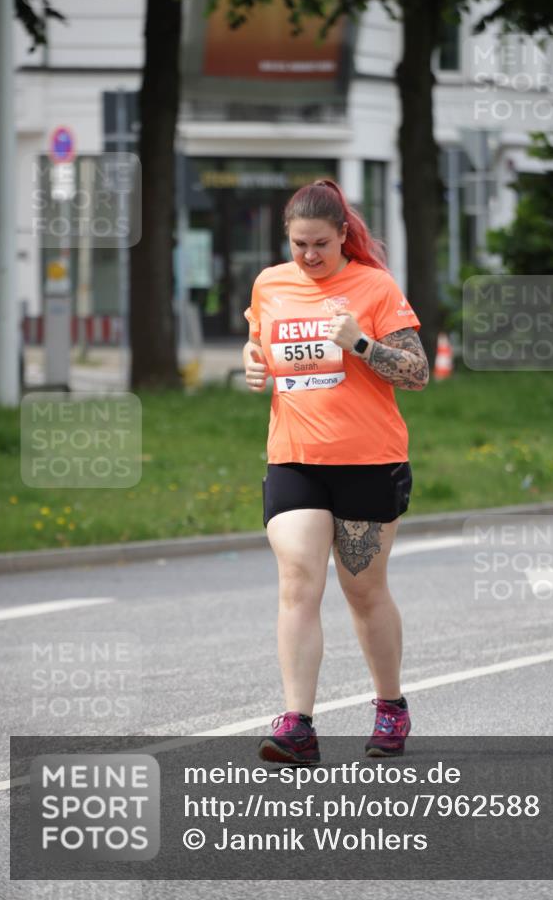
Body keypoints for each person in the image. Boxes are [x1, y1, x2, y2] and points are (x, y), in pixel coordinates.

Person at [243, 178, 429, 764]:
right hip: (295, 456)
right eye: (299, 244)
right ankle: (298, 724)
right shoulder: (271, 284)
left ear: (344, 235)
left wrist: (362, 344)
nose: (310, 256)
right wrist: (252, 364)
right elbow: (260, 347)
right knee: (298, 580)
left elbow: (417, 373)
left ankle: (390, 706)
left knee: (362, 589)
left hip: (369, 461)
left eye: (321, 244)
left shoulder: (374, 286)